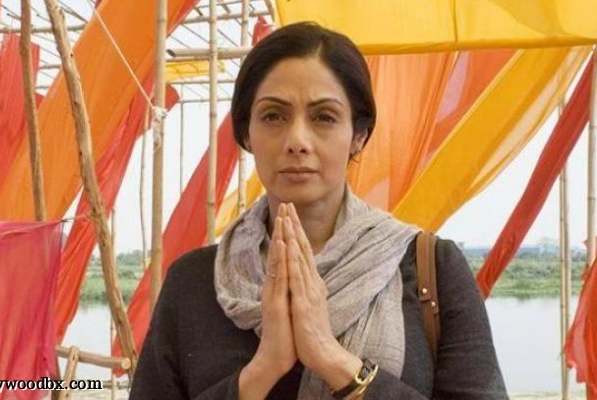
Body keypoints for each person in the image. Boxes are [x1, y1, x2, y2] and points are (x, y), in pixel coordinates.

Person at [129, 22, 508, 400]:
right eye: (273, 116)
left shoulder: (431, 269)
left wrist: (333, 360)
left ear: (358, 135)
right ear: (246, 134)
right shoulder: (194, 282)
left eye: (324, 117)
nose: (297, 140)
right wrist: (263, 370)